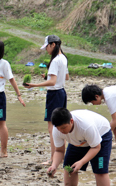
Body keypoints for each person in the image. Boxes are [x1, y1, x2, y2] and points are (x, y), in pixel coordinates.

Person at [47, 108, 112, 186]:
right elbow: (59, 151)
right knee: (68, 168)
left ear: (71, 121)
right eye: (59, 128)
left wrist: (81, 162)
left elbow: (96, 147)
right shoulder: (57, 130)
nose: (61, 131)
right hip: (78, 141)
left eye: (64, 128)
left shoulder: (86, 126)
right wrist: (54, 165)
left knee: (100, 170)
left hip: (101, 135)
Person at [24, 35, 69, 164]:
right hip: (61, 93)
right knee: (61, 126)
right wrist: (47, 78)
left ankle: (53, 158)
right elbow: (66, 77)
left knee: (52, 129)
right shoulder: (63, 58)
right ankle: (61, 156)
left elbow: (53, 81)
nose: (46, 50)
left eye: (47, 47)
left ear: (53, 45)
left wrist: (34, 85)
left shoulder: (55, 60)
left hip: (54, 95)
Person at [82, 84, 116, 167]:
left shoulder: (109, 97)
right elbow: (115, 119)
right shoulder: (106, 94)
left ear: (96, 96)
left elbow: (115, 121)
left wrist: (101, 134)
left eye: (92, 102)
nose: (93, 104)